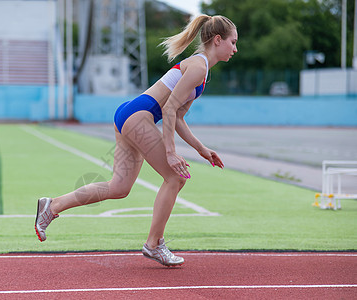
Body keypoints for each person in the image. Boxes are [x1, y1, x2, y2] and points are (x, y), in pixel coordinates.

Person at [35, 14, 238, 267]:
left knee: (119, 187)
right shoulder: (198, 67)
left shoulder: (201, 71)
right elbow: (168, 111)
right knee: (175, 177)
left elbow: (178, 118)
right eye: (233, 42)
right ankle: (154, 244)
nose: (235, 49)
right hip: (137, 117)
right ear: (218, 40)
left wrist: (202, 149)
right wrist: (171, 152)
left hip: (130, 114)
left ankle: (52, 206)